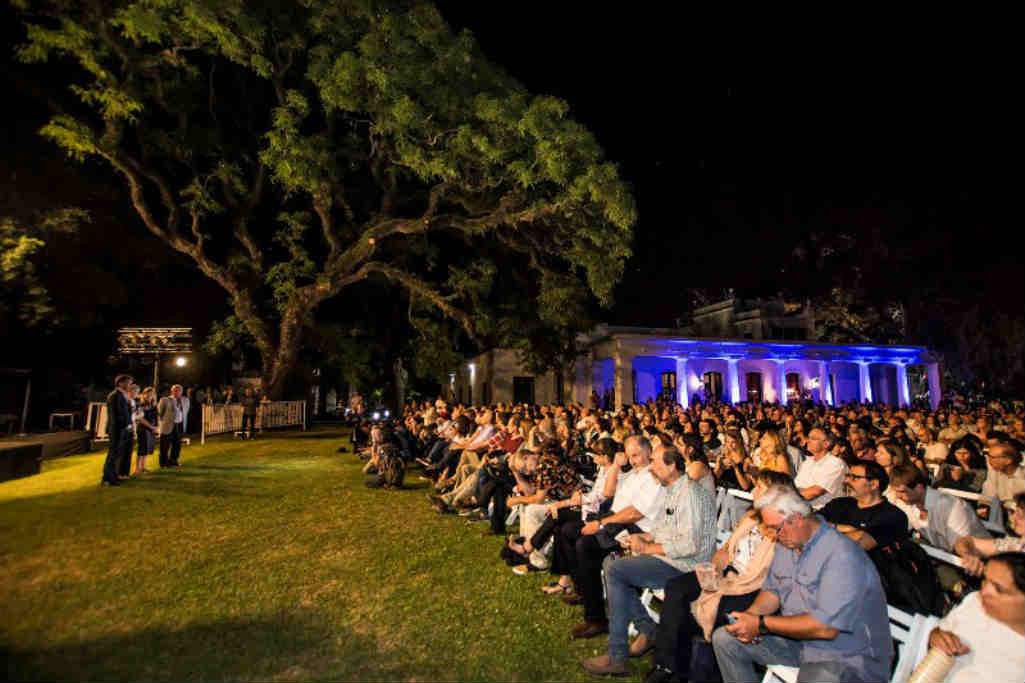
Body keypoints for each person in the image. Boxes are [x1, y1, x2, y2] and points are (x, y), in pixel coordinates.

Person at [712, 484, 893, 683]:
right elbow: (773, 592)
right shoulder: (787, 544)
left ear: (797, 518)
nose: (774, 535)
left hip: (848, 656)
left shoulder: (842, 554)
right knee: (725, 640)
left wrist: (762, 624)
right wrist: (749, 619)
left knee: (818, 677)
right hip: (801, 643)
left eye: (776, 528)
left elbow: (825, 627)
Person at [579, 446, 717, 676]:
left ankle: (617, 656)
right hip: (671, 557)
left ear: (672, 466)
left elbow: (689, 545)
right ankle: (648, 629)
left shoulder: (690, 493)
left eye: (655, 462)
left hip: (686, 565)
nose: (652, 467)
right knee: (610, 564)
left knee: (616, 570)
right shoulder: (673, 489)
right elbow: (664, 529)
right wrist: (644, 537)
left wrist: (649, 548)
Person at [645, 469, 788, 683]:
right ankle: (666, 665)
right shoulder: (750, 518)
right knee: (677, 588)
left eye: (760, 487)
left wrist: (726, 580)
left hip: (752, 585)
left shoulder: (782, 529)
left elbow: (769, 576)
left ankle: (699, 671)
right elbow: (726, 549)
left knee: (721, 608)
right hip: (727, 572)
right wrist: (715, 568)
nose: (754, 491)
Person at [566, 435, 666, 639]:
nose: (632, 460)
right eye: (629, 456)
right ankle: (585, 592)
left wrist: (602, 524)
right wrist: (616, 466)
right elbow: (608, 492)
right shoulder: (633, 474)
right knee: (570, 532)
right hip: (614, 520)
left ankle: (595, 619)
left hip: (636, 530)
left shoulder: (653, 477)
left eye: (636, 455)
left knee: (585, 545)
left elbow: (635, 513)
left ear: (649, 452)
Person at [925, 552, 1025, 682]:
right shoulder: (975, 602)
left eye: (998, 589)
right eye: (985, 580)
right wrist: (936, 637)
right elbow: (937, 635)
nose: (984, 592)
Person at [888, 464, 989, 553]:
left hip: (975, 558)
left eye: (901, 492)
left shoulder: (950, 505)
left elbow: (963, 545)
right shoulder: (908, 502)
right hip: (943, 554)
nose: (898, 496)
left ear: (919, 488)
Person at [820, 461, 909, 551]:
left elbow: (858, 543)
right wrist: (845, 528)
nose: (846, 481)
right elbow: (810, 523)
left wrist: (824, 529)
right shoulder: (838, 504)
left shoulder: (893, 516)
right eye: (847, 476)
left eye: (854, 478)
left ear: (873, 484)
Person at [793, 427, 847, 509]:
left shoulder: (835, 464)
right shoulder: (807, 463)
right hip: (802, 508)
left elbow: (815, 492)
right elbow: (797, 486)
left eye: (813, 438)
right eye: (808, 437)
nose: (808, 441)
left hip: (824, 513)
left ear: (826, 444)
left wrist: (789, 498)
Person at [101, 374, 134, 487]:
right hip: (117, 430)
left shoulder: (123, 395)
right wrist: (126, 425)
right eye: (128, 383)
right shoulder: (115, 395)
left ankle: (112, 476)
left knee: (117, 454)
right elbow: (116, 415)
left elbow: (126, 413)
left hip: (123, 429)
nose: (130, 385)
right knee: (113, 454)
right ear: (120, 383)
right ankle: (108, 479)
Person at [158, 384, 185, 468]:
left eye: (179, 390)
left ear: (181, 392)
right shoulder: (165, 400)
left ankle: (173, 461)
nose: (177, 392)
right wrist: (163, 423)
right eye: (175, 390)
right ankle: (163, 463)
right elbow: (160, 413)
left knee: (177, 445)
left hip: (179, 424)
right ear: (172, 391)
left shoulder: (185, 400)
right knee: (164, 446)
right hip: (167, 425)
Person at [133, 387, 159, 475]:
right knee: (142, 448)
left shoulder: (153, 405)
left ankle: (143, 467)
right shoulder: (141, 404)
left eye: (151, 394)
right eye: (147, 393)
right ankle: (136, 468)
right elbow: (141, 419)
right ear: (144, 394)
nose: (149, 395)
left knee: (147, 448)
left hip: (151, 428)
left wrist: (156, 427)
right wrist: (151, 427)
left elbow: (156, 417)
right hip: (143, 428)